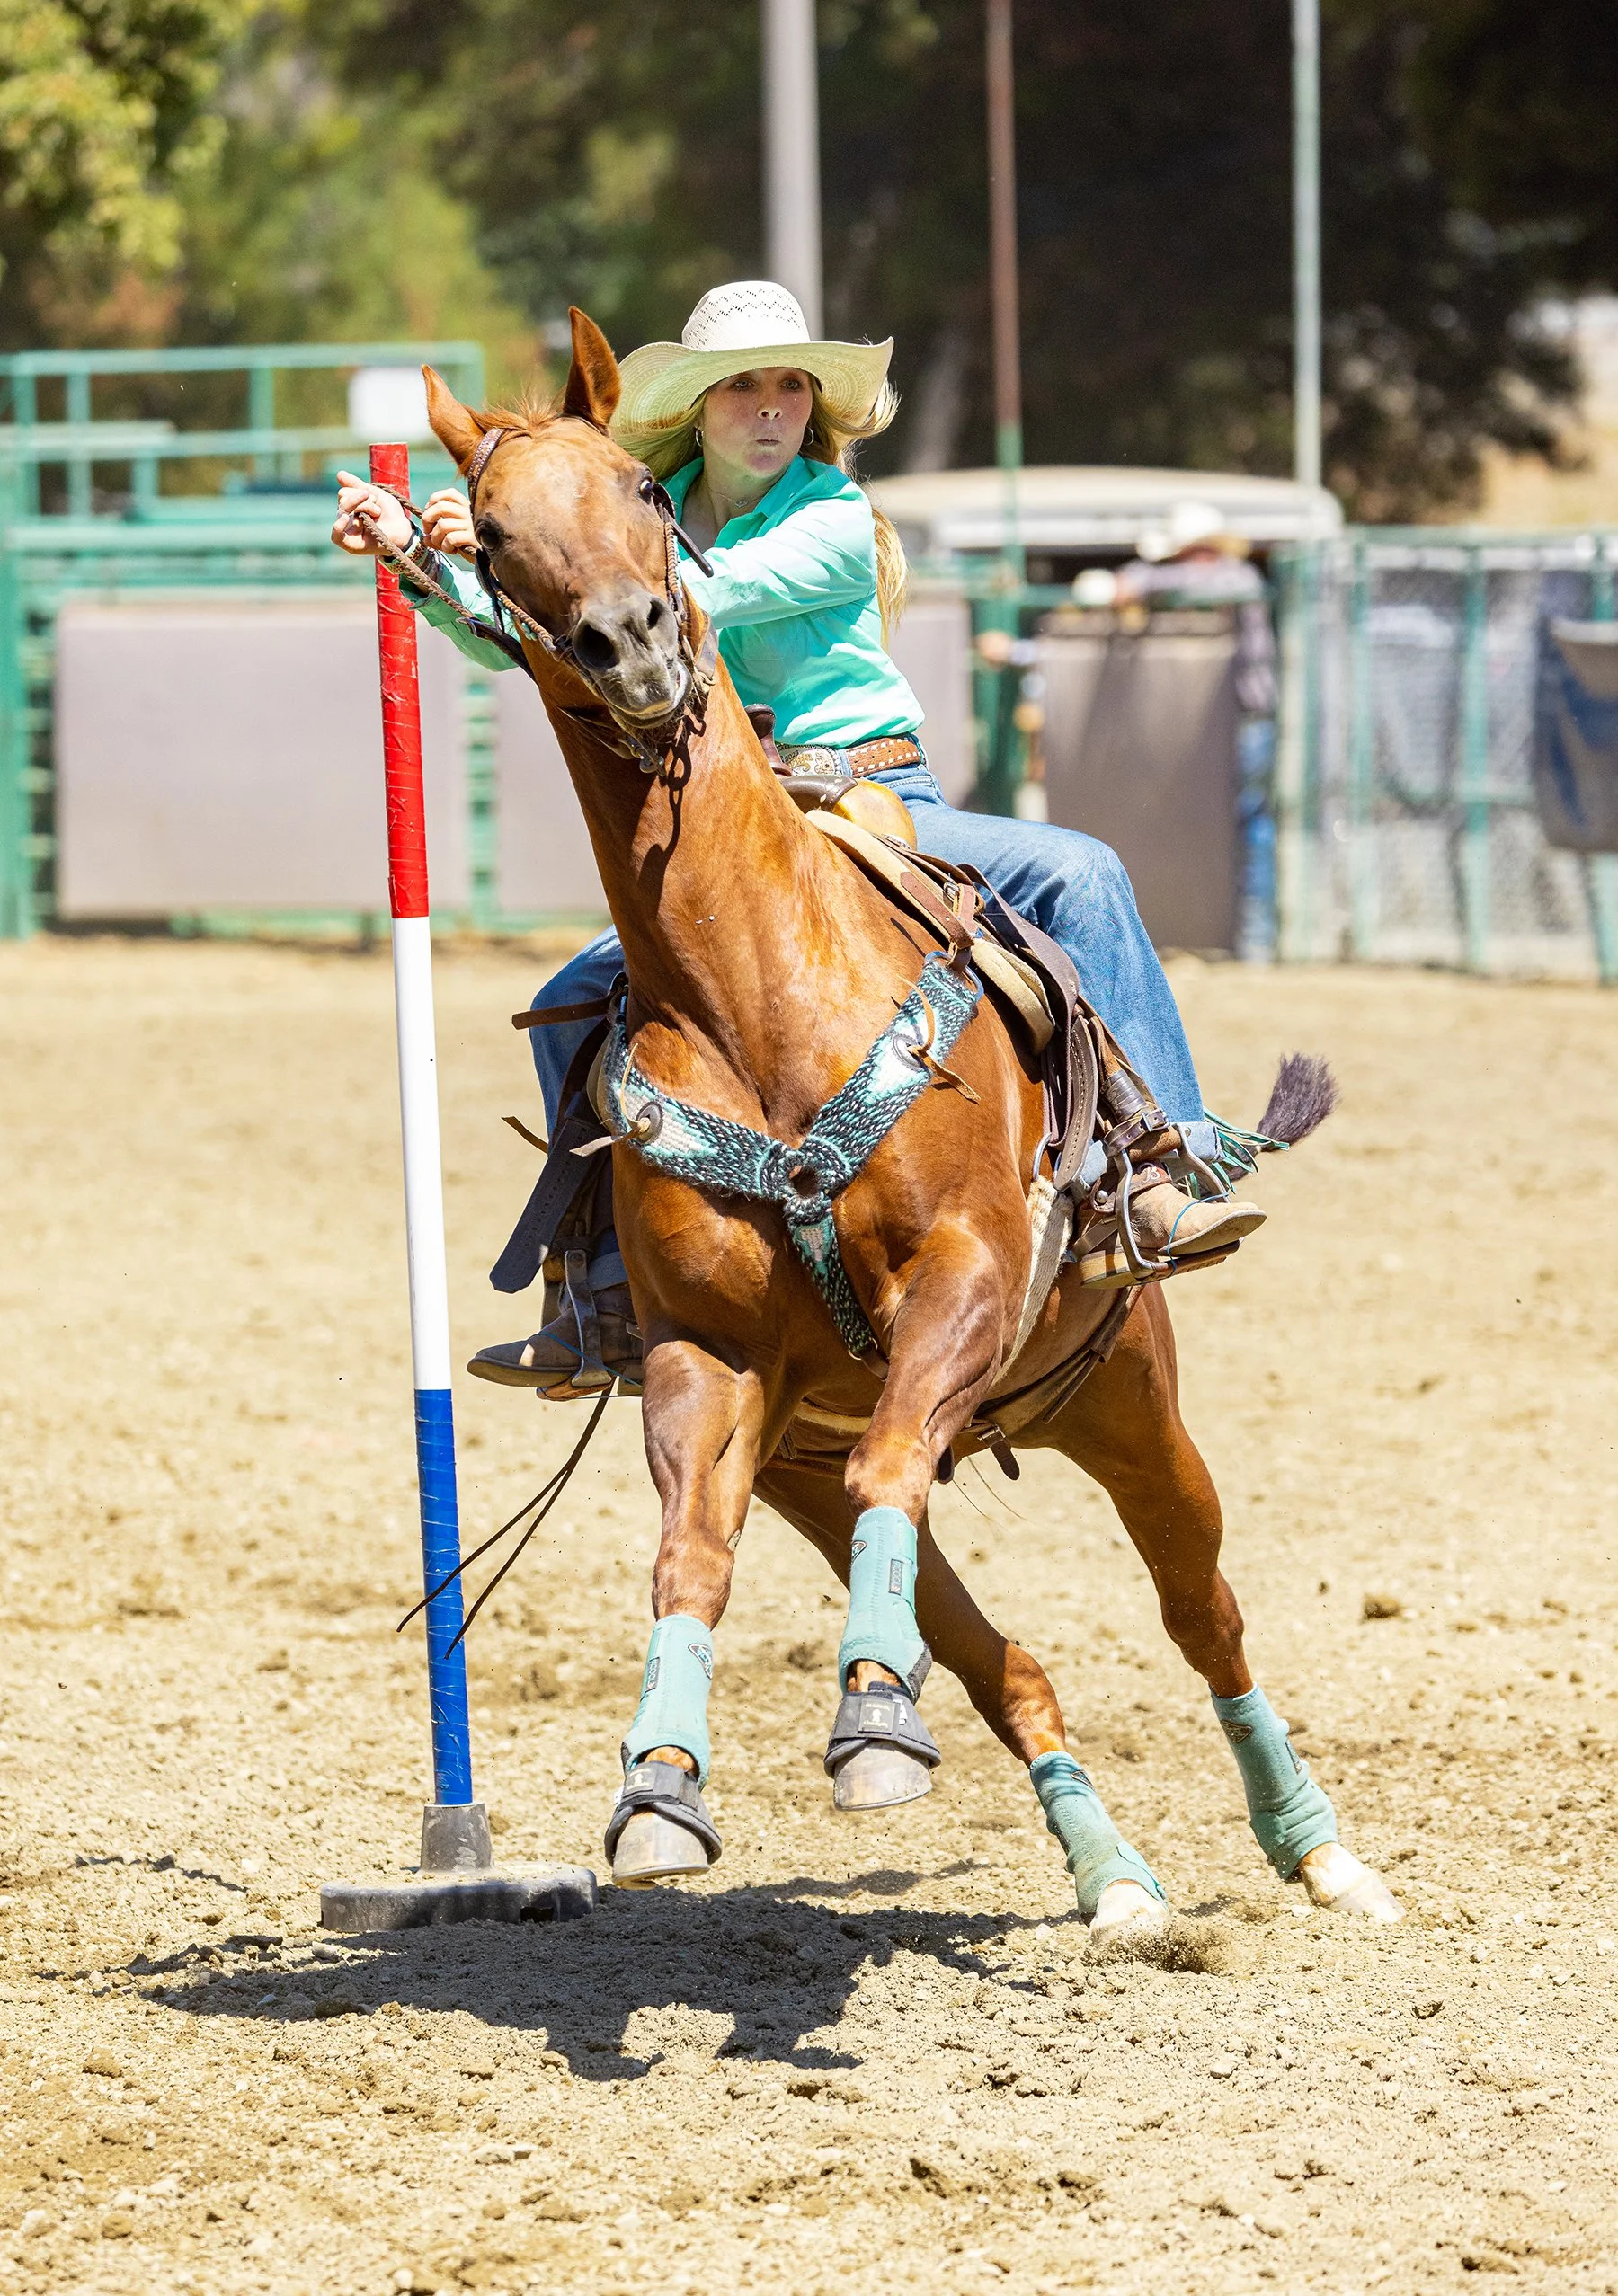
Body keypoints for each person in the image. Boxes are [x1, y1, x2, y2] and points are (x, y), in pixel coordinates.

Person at [332, 282, 1264, 1398]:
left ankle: (1161, 1161)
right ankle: (597, 1287)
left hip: (879, 795)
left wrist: (507, 547)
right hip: (731, 814)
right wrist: (431, 565)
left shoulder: (828, 513)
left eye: (789, 385)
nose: (771, 406)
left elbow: (683, 601)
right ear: (701, 408)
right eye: (744, 386)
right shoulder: (646, 503)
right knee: (579, 998)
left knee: (1079, 870)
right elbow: (558, 631)